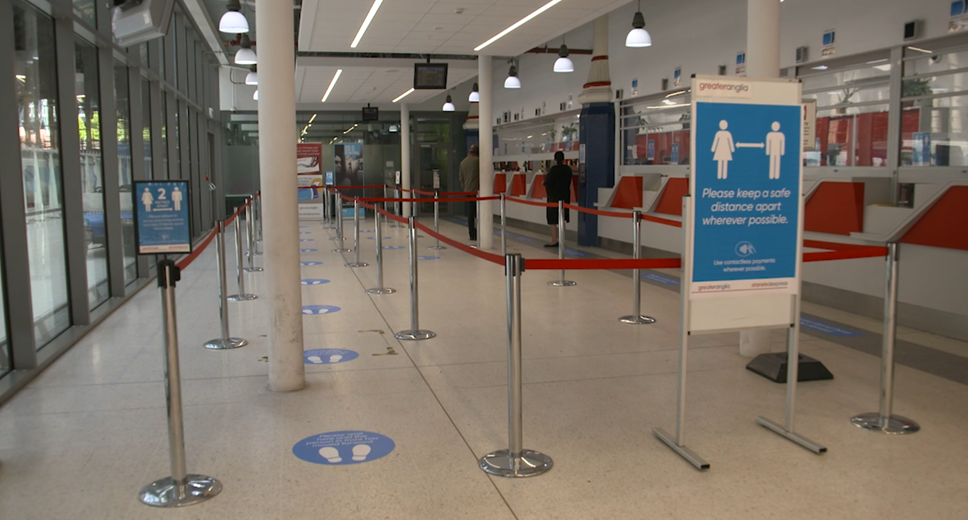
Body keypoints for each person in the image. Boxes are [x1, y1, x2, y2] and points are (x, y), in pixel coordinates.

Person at [543, 151, 573, 247]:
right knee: (562, 219)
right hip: (565, 197)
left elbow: (548, 182)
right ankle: (562, 239)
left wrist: (544, 183)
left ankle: (554, 240)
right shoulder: (568, 169)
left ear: (555, 159)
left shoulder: (554, 170)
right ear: (564, 159)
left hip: (554, 197)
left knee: (552, 219)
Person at [459, 144, 480, 241]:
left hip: (467, 191)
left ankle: (472, 233)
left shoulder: (463, 162)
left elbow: (461, 178)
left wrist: (465, 188)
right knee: (478, 213)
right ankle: (479, 232)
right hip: (476, 191)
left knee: (470, 213)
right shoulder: (477, 161)